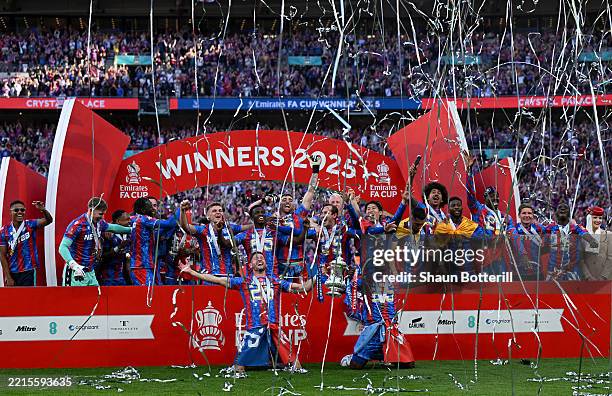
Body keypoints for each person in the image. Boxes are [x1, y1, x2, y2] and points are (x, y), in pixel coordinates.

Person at [179, 252, 313, 376]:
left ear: (266, 264)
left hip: (274, 327)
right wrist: (191, 271)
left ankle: (273, 362)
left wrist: (320, 275)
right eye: (256, 258)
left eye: (262, 258)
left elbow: (304, 288)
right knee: (239, 368)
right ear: (250, 265)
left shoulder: (276, 281)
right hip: (255, 328)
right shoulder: (244, 282)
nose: (260, 259)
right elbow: (216, 279)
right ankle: (263, 362)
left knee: (297, 367)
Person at [340, 268, 415, 369]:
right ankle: (359, 357)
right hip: (373, 329)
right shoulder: (366, 281)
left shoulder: (394, 280)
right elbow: (351, 288)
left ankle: (384, 355)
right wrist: (351, 276)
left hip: (390, 328)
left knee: (408, 364)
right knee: (356, 365)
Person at [59, 197, 131, 286]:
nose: (102, 217)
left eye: (104, 214)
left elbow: (113, 228)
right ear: (91, 210)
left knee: (95, 299)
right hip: (76, 271)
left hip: (90, 271)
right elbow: (62, 247)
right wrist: (74, 265)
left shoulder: (99, 223)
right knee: (75, 300)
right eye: (100, 214)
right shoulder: (78, 225)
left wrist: (131, 230)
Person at [0, 200, 53, 286]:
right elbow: (2, 255)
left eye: (22, 210)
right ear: (11, 212)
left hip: (28, 271)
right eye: (16, 210)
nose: (20, 212)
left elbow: (49, 220)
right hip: (12, 272)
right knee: (14, 299)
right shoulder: (3, 231)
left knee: (29, 298)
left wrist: (43, 210)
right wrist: (8, 277)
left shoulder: (30, 224)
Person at [179, 201, 237, 277]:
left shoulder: (231, 229)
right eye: (214, 211)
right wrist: (183, 211)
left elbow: (250, 228)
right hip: (208, 276)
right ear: (208, 216)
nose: (218, 212)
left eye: (220, 210)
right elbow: (186, 227)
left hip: (228, 276)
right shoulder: (203, 230)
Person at [129, 197, 179, 286]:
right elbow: (170, 224)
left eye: (154, 205)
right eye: (150, 206)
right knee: (146, 296)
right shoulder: (145, 219)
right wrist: (180, 208)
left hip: (147, 265)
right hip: (142, 266)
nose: (152, 208)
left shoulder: (135, 219)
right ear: (143, 209)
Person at [544, 202, 598, 280]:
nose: (562, 208)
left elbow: (585, 234)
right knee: (549, 291)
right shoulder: (549, 227)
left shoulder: (575, 228)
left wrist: (592, 241)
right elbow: (539, 239)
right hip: (553, 271)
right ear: (555, 214)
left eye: (565, 208)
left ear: (569, 213)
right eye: (560, 208)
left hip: (571, 271)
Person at [464, 152, 514, 234]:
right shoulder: (478, 209)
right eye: (491, 196)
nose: (495, 198)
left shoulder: (506, 217)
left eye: (497, 196)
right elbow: (470, 193)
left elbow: (513, 234)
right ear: (485, 198)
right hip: (482, 246)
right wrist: (469, 172)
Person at [98, 210, 131, 286]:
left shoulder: (129, 234)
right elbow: (103, 255)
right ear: (118, 221)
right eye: (127, 219)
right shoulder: (108, 235)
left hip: (123, 276)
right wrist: (119, 247)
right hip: (109, 277)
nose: (130, 221)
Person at [582, 206, 612, 279]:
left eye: (600, 218)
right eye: (595, 217)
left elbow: (610, 258)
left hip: (606, 280)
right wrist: (588, 277)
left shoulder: (608, 235)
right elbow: (580, 260)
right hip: (587, 281)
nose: (598, 220)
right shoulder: (581, 237)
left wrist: (603, 277)